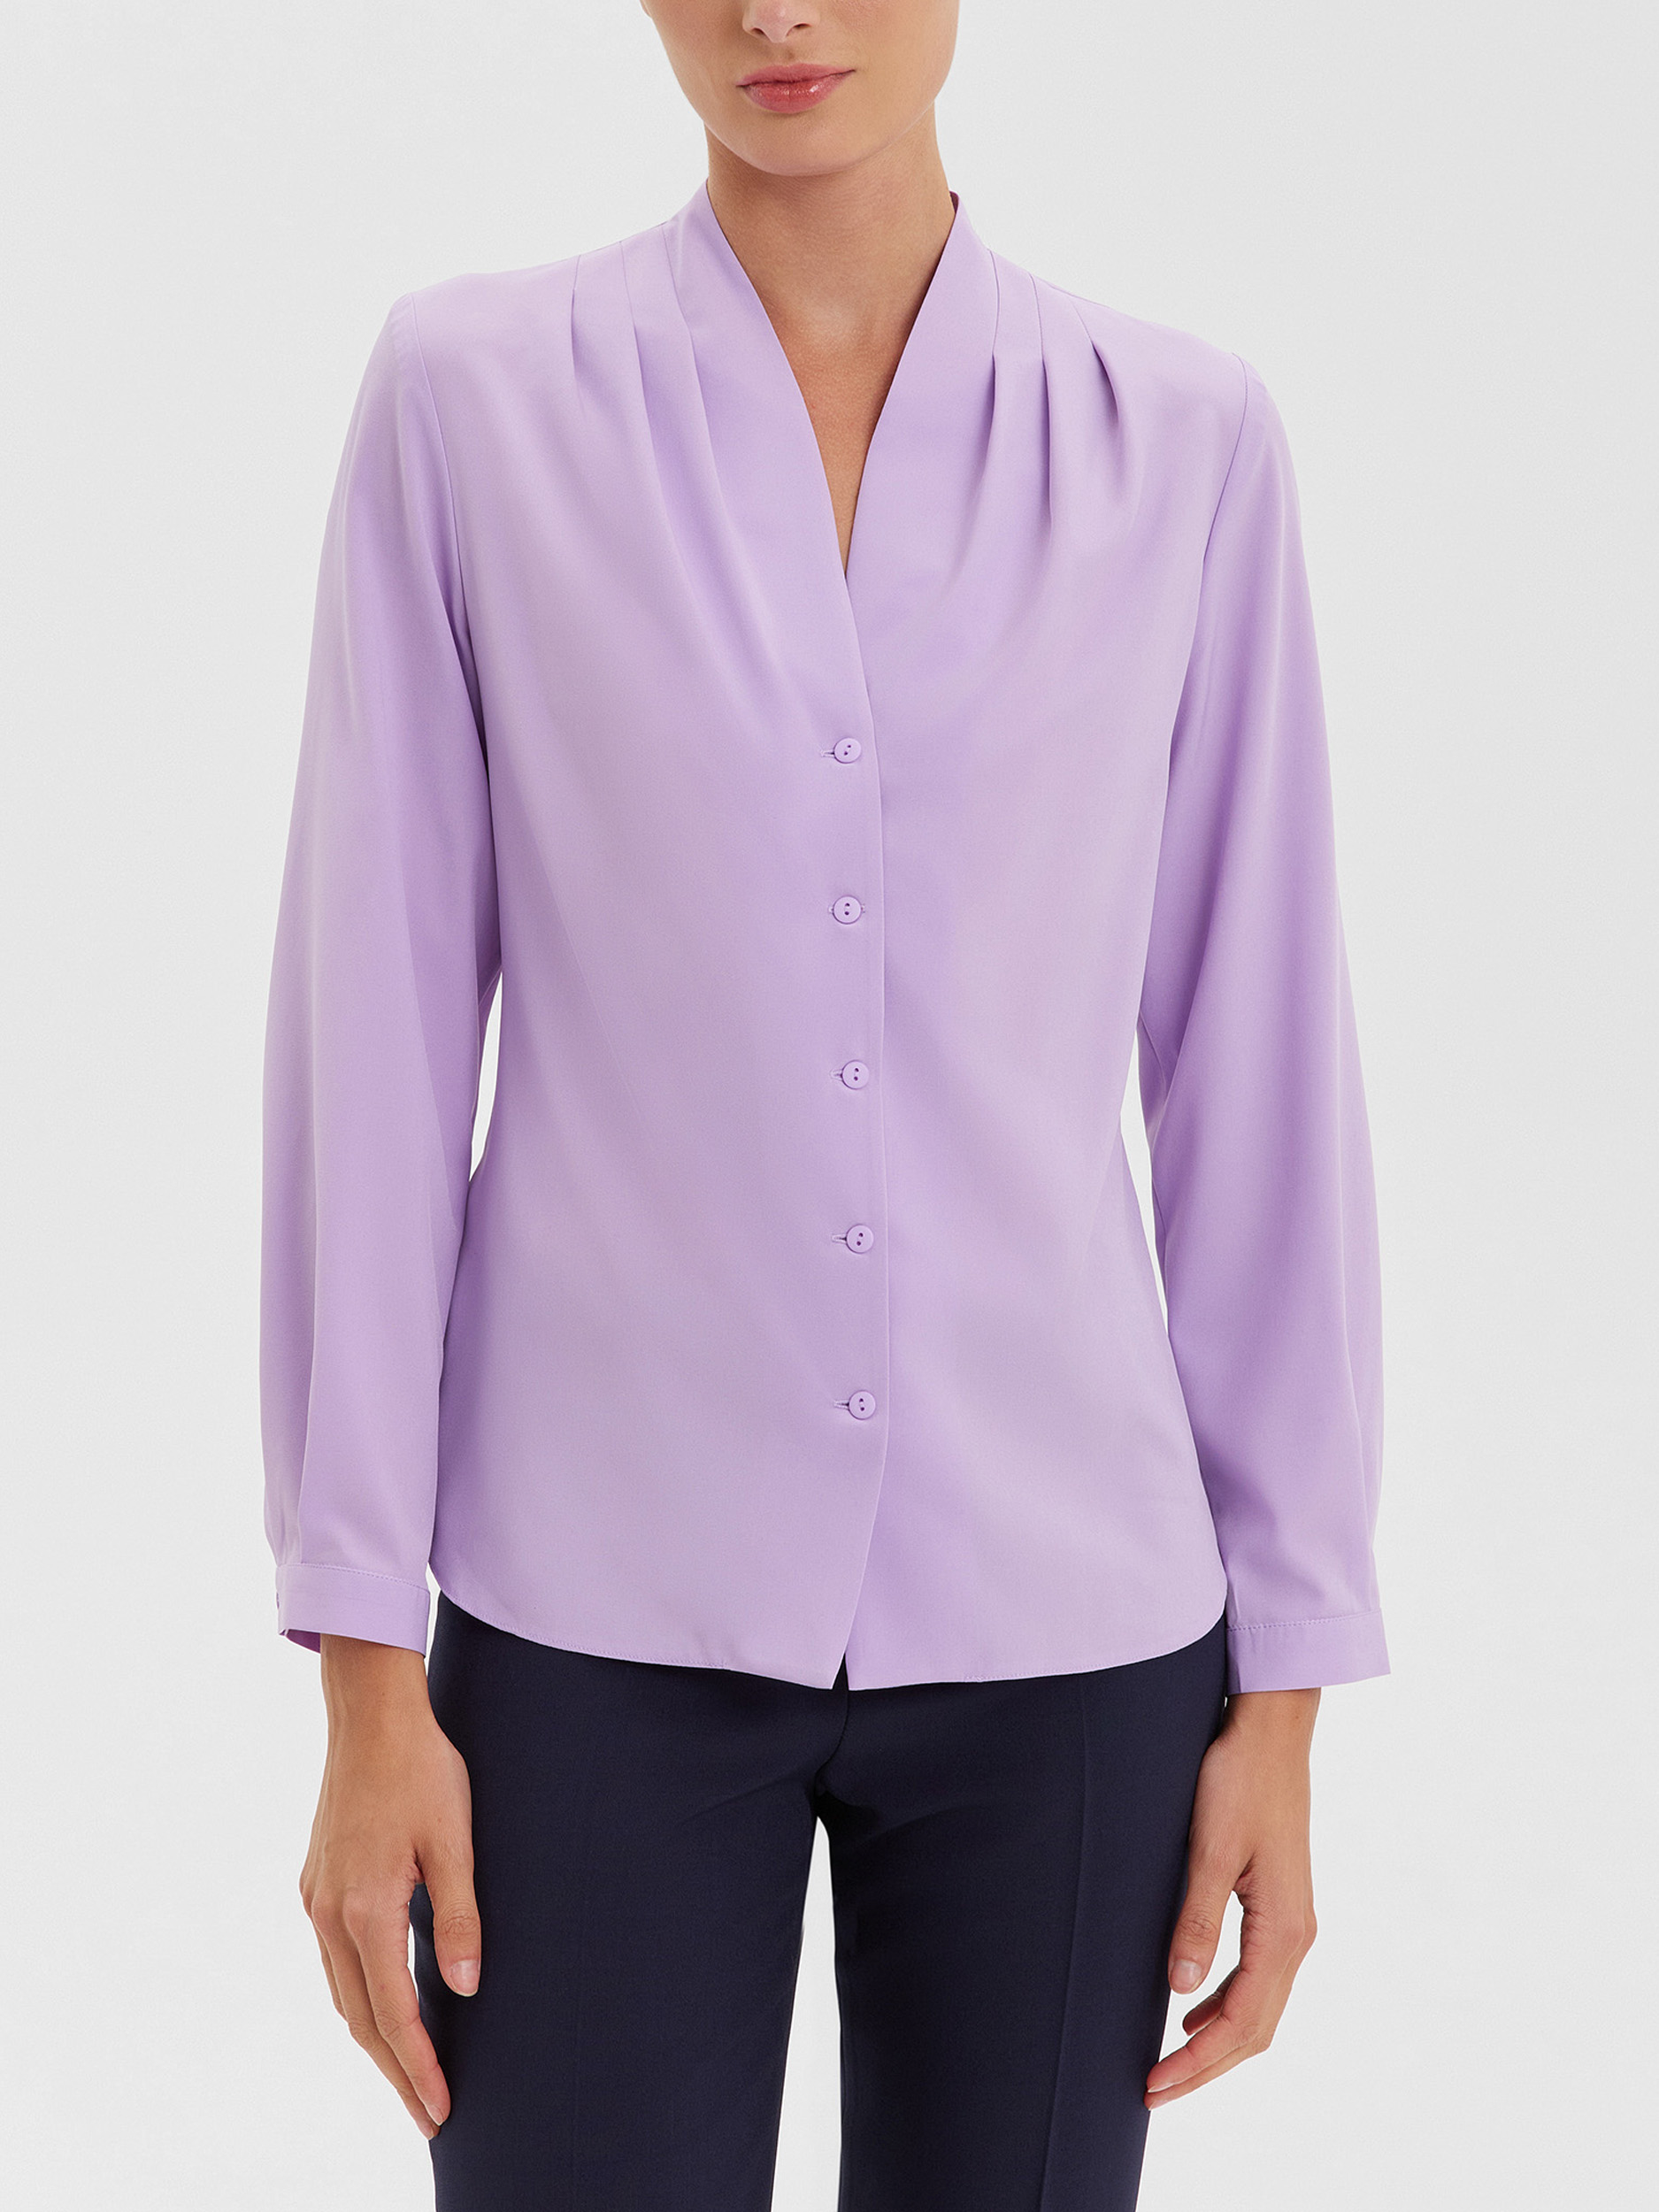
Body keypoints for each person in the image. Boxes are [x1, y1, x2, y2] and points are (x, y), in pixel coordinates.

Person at [261, 4, 1387, 2207]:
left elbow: (1254, 1067)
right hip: (586, 1613)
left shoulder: (1177, 443)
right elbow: (369, 1048)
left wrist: (1288, 1682)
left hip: (1070, 1631)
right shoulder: (472, 406)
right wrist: (364, 1666)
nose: (777, 11)